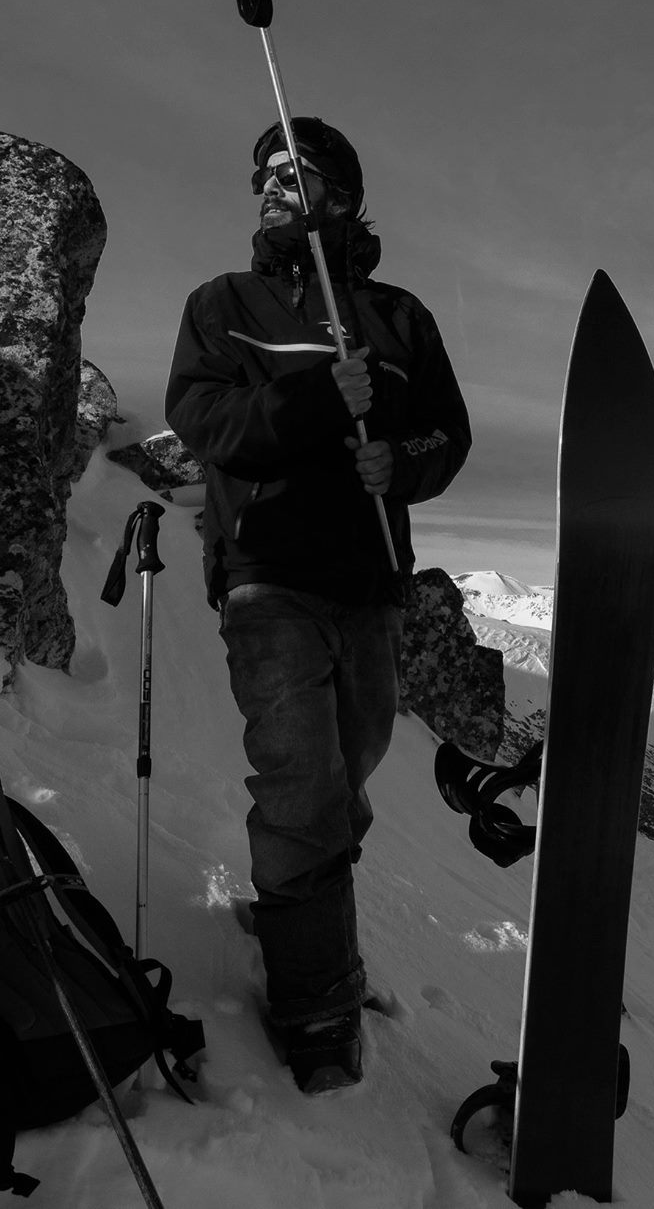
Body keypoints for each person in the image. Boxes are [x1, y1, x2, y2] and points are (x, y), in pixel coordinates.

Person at [165, 117, 470, 1091]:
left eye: (294, 173)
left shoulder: (400, 318)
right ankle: (315, 1005)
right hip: (266, 569)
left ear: (341, 194)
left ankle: (291, 911)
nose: (271, 184)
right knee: (300, 775)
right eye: (265, 172)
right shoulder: (224, 304)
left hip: (368, 581)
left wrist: (400, 463)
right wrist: (312, 402)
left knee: (349, 764)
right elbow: (203, 419)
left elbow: (447, 435)